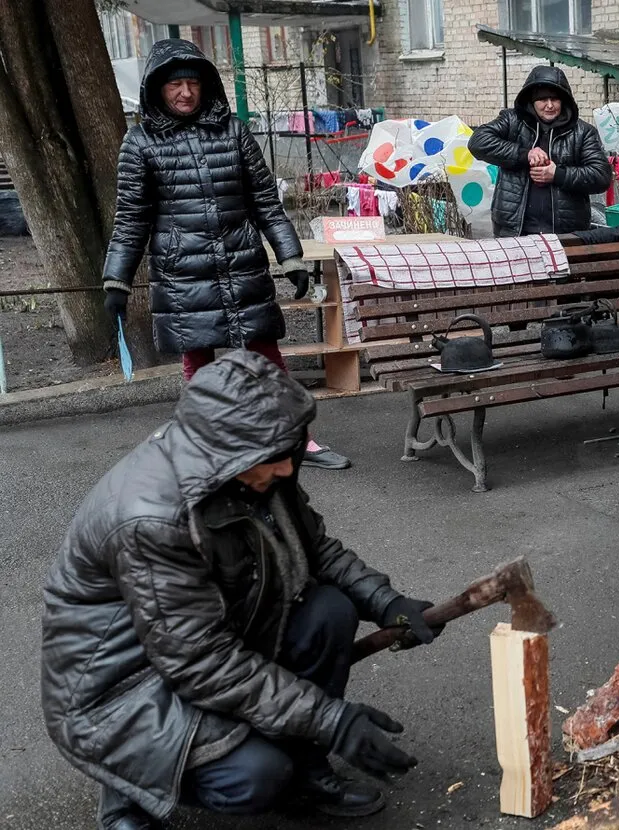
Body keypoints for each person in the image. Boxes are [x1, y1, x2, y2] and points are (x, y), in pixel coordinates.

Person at [42, 350, 440, 829]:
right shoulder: (152, 519)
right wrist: (331, 720)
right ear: (223, 452)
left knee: (329, 610)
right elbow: (201, 662)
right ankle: (130, 792)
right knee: (257, 775)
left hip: (207, 637)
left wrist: (386, 602)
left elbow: (317, 549)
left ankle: (305, 772)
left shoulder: (259, 460)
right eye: (274, 459)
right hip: (124, 691)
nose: (288, 470)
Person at [99, 38, 348, 470]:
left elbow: (267, 203)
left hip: (241, 262)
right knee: (199, 360)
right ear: (157, 89)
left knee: (266, 356)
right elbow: (130, 220)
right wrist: (116, 280)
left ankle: (294, 440)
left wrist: (290, 257)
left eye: (193, 83)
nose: (185, 93)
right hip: (183, 274)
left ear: (206, 85)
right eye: (175, 85)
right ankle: (206, 447)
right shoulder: (139, 143)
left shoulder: (234, 131)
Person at [468, 65, 611, 237]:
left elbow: (601, 176)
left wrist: (558, 174)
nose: (549, 105)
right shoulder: (512, 121)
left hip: (566, 234)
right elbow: (478, 141)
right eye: (543, 99)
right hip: (514, 230)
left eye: (555, 99)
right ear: (531, 101)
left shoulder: (582, 132)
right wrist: (524, 154)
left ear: (564, 100)